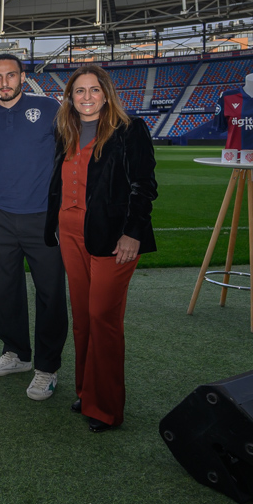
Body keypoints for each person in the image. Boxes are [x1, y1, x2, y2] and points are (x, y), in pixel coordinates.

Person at [45, 64, 157, 433]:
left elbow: (144, 186)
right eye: (79, 91)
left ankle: (106, 407)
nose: (87, 97)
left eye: (94, 89)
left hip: (114, 238)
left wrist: (133, 233)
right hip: (70, 233)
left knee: (103, 318)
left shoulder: (130, 130)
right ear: (70, 97)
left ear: (106, 94)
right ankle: (86, 391)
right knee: (82, 318)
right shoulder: (66, 130)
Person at [0, 53, 69, 401]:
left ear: (22, 77)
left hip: (43, 217)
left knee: (50, 293)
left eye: (10, 75)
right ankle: (16, 352)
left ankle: (47, 366)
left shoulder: (48, 108)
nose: (4, 83)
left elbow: (71, 150)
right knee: (4, 290)